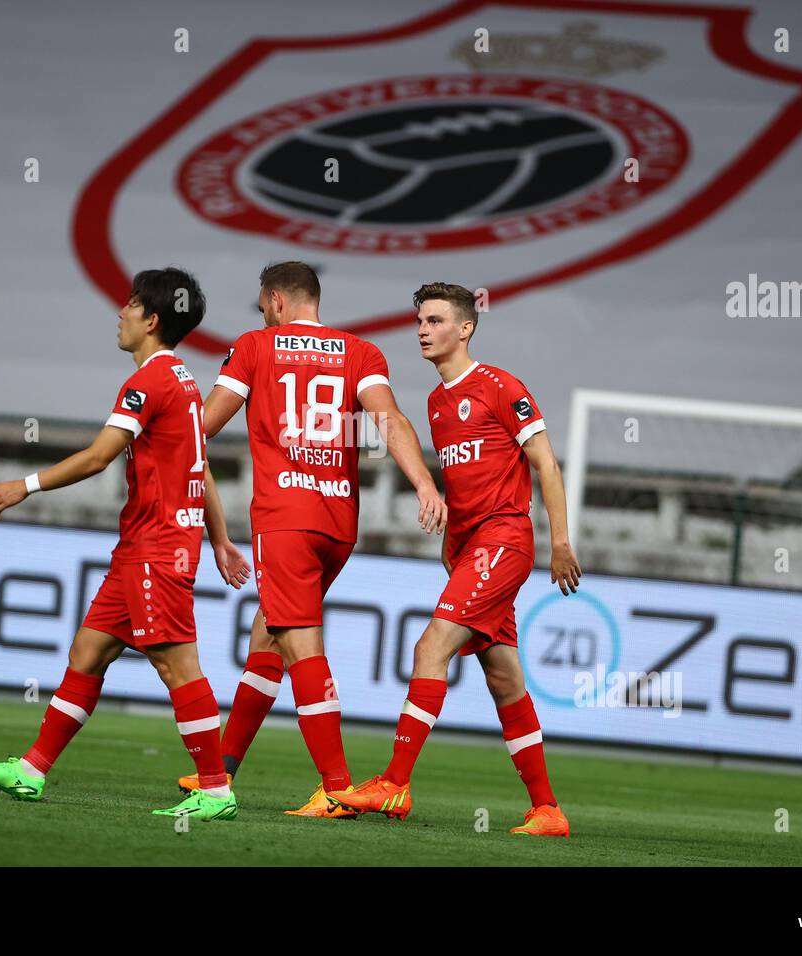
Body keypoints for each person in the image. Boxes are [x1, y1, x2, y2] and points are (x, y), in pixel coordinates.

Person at [0, 267, 252, 820]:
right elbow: (202, 468)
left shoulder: (148, 383)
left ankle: (216, 789)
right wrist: (219, 540)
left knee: (177, 666)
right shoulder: (186, 382)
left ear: (151, 319)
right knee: (88, 652)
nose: (118, 313)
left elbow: (98, 457)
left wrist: (23, 486)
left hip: (157, 546)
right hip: (143, 548)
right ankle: (31, 772)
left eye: (128, 305)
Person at [179, 261, 446, 817]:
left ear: (276, 301)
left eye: (262, 306)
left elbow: (203, 426)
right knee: (269, 634)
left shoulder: (255, 347)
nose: (262, 315)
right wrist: (424, 483)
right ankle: (221, 769)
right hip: (336, 526)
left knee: (300, 643)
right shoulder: (360, 352)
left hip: (285, 519)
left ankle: (337, 788)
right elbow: (389, 419)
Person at [329, 282, 582, 837]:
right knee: (503, 678)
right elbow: (463, 487)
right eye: (419, 320)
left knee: (430, 646)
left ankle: (395, 783)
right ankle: (548, 811)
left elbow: (546, 463)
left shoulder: (499, 386)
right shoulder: (437, 404)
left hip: (507, 541)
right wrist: (452, 545)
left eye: (436, 320)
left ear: (465, 328)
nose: (423, 329)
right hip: (471, 550)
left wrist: (560, 541)